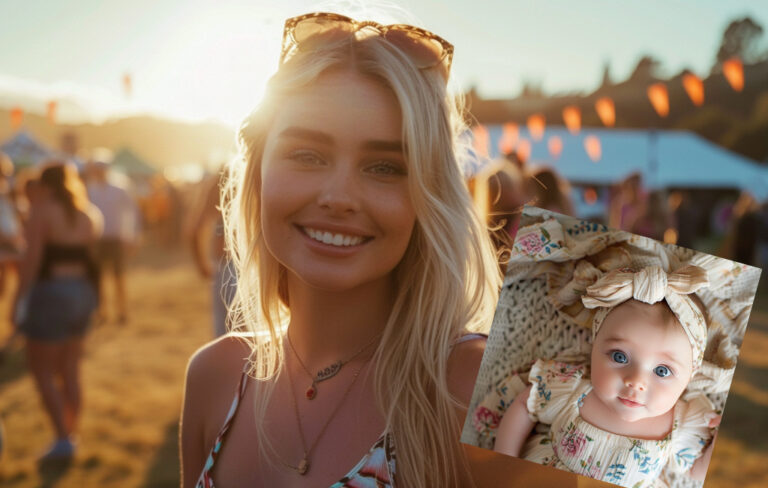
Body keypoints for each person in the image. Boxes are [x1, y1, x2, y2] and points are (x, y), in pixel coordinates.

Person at [180, 10, 501, 488]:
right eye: (307, 155)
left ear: (429, 194)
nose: (338, 196)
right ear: (258, 173)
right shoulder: (214, 375)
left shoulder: (476, 385)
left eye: (385, 167)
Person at [493, 265, 719, 487]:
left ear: (690, 376)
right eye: (620, 357)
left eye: (662, 371)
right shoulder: (571, 390)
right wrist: (505, 461)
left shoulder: (681, 426)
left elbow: (696, 471)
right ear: (594, 346)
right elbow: (525, 405)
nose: (636, 381)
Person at [12, 162, 102, 460]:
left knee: (41, 371)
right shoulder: (86, 214)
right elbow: (92, 262)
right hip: (82, 293)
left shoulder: (41, 211)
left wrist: (17, 303)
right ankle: (70, 434)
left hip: (51, 294)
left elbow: (32, 260)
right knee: (71, 370)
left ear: (45, 185)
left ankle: (63, 438)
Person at [84, 153, 140, 324]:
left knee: (119, 276)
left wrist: (131, 236)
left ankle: (122, 310)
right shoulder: (90, 190)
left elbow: (131, 213)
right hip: (97, 240)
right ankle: (102, 311)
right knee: (98, 278)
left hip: (116, 238)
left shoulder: (119, 190)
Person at [190, 170, 236, 337]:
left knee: (224, 335)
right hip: (249, 266)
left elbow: (193, 230)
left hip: (224, 265)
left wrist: (201, 264)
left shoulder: (220, 180)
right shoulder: (260, 174)